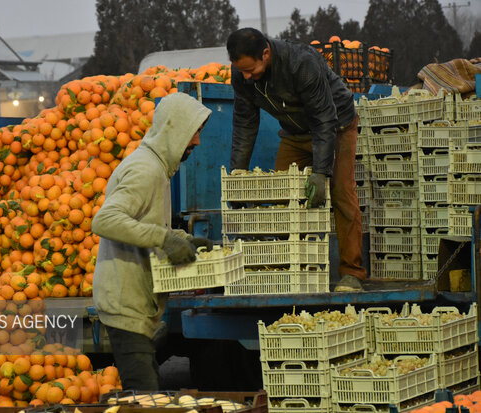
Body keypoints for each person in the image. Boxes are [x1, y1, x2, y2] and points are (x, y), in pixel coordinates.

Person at [226, 27, 366, 292]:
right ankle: (288, 268)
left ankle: (352, 273)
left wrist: (321, 172)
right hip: (294, 131)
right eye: (240, 71)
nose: (246, 77)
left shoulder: (301, 62)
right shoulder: (241, 76)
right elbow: (244, 123)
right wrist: (237, 174)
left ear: (265, 54)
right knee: (282, 196)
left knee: (340, 193)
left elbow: (324, 118)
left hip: (335, 126)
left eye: (250, 70)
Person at [92, 92, 212, 390]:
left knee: (150, 393)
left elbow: (143, 223)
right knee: (146, 399)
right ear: (175, 128)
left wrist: (179, 238)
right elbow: (104, 220)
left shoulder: (155, 167)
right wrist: (163, 238)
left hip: (135, 306)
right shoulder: (146, 170)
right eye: (194, 132)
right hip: (125, 308)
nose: (197, 142)